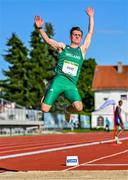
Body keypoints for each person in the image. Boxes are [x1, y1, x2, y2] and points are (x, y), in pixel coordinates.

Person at [34, 7, 94, 122]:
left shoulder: (82, 50)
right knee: (45, 109)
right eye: (74, 34)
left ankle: (67, 110)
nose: (77, 36)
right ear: (70, 36)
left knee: (79, 107)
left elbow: (90, 33)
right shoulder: (62, 47)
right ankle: (48, 89)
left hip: (71, 84)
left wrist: (91, 17)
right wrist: (40, 28)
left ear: (81, 38)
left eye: (79, 35)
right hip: (59, 81)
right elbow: (48, 40)